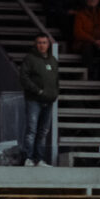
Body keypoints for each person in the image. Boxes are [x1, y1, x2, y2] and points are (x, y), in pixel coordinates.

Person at [18, 33, 59, 166]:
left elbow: (56, 80)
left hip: (49, 100)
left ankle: (39, 159)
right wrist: (37, 90)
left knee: (43, 132)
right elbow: (24, 77)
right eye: (39, 43)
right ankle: (27, 158)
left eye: (44, 43)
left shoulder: (53, 60)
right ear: (35, 44)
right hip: (34, 99)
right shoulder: (30, 59)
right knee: (32, 130)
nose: (42, 45)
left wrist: (54, 93)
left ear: (48, 44)